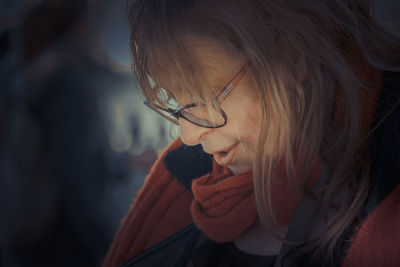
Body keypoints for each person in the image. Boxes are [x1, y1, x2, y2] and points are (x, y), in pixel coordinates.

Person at [103, 0, 400, 266]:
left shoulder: (386, 178)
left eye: (207, 96)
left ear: (291, 57)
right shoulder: (182, 177)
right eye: (175, 101)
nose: (189, 136)